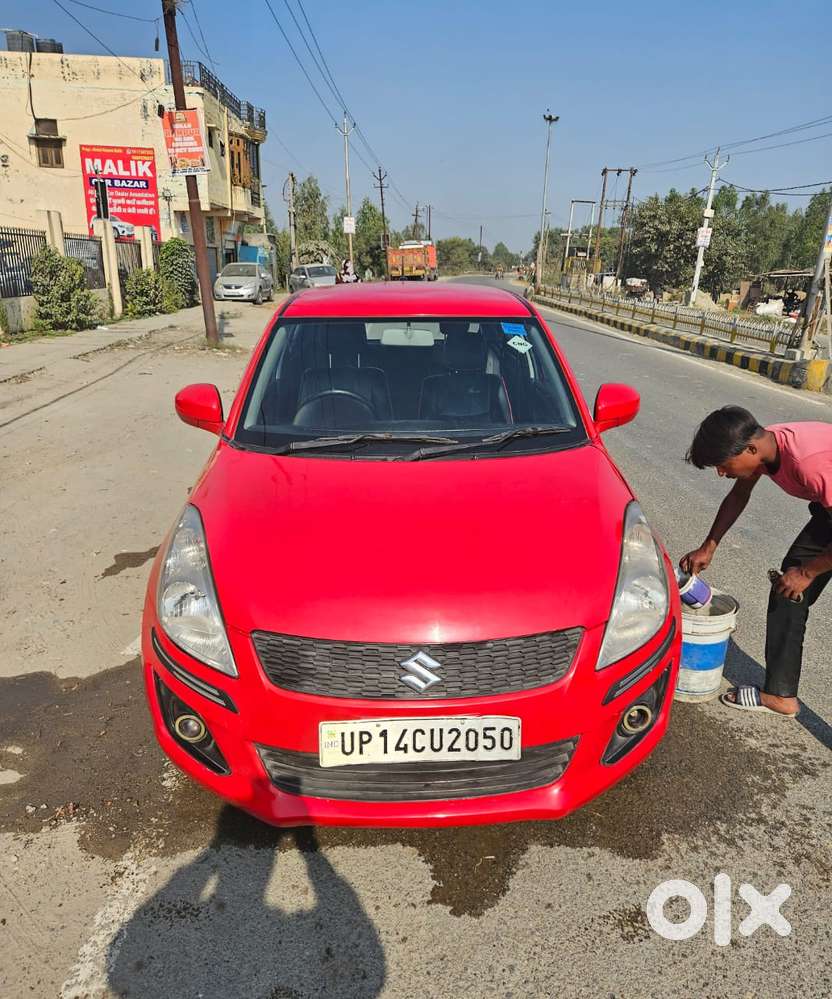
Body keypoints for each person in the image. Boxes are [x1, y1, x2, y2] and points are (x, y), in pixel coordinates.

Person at [681, 406, 832, 717]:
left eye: (723, 465)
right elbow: (738, 496)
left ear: (750, 449)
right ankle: (779, 696)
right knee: (788, 590)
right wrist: (709, 546)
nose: (721, 472)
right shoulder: (764, 447)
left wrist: (808, 571)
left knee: (797, 578)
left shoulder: (808, 464)